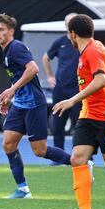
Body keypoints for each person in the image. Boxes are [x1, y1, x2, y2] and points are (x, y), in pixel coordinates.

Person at [0, 13, 90, 199]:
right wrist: (10, 97)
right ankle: (23, 189)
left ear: (11, 32)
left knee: (40, 151)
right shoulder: (6, 50)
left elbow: (33, 69)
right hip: (20, 104)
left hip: (33, 104)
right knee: (8, 144)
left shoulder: (16, 47)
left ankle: (82, 163)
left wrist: (12, 90)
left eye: (2, 30)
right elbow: (19, 77)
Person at [53, 14, 105, 209]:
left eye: (68, 32)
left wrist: (72, 100)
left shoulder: (93, 50)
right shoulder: (92, 48)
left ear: (73, 34)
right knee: (77, 159)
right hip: (89, 115)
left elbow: (102, 80)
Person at [42, 13, 81, 165]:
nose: (70, 25)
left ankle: (82, 156)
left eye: (73, 22)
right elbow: (46, 57)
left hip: (78, 90)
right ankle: (59, 157)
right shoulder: (60, 42)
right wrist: (50, 76)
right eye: (68, 22)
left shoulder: (83, 42)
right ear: (65, 25)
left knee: (80, 124)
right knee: (58, 123)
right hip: (60, 89)